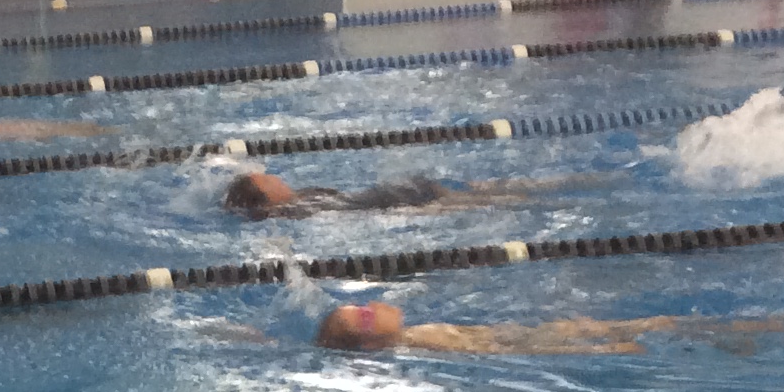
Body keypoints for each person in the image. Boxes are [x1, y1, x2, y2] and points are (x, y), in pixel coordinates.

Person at [313, 300, 784, 355]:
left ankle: (765, 330)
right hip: (541, 342)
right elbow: (509, 353)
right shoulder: (425, 342)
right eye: (363, 314)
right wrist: (599, 352)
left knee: (665, 323)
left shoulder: (417, 337)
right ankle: (778, 329)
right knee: (663, 327)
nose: (372, 303)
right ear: (374, 340)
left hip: (542, 331)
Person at [225, 169, 587, 220]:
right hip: (395, 203)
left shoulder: (304, 196)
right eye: (267, 179)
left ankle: (557, 187)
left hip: (394, 193)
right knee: (481, 201)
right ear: (267, 196)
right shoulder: (291, 211)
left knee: (484, 190)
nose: (274, 175)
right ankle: (558, 201)